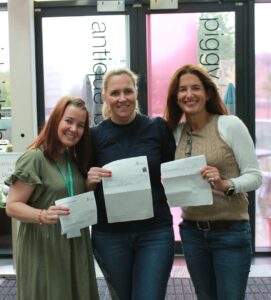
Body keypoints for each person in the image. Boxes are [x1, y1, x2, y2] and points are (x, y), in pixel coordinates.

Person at [163, 64, 262, 300]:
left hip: (231, 231)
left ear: (208, 93)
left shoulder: (230, 125)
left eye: (195, 88)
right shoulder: (175, 133)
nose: (189, 94)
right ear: (176, 98)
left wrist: (226, 184)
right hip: (192, 232)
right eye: (183, 89)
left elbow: (254, 176)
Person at [87, 67, 176, 300]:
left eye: (128, 91)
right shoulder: (94, 137)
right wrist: (89, 181)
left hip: (155, 232)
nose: (122, 98)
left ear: (136, 92)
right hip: (109, 235)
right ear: (105, 96)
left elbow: (171, 169)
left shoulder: (157, 128)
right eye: (115, 93)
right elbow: (82, 185)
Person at [5, 96, 99, 300]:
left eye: (80, 125)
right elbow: (12, 206)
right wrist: (42, 214)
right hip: (44, 245)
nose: (74, 129)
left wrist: (89, 186)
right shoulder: (34, 158)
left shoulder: (71, 160)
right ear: (55, 120)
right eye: (68, 121)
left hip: (74, 242)